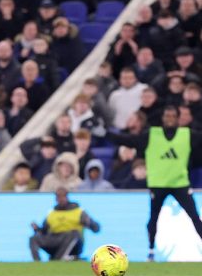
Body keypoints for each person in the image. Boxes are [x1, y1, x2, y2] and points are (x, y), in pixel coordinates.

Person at [106, 105, 202, 261]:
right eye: (167, 116)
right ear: (162, 118)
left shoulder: (188, 134)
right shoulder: (151, 134)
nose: (170, 119)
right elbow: (129, 140)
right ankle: (151, 251)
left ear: (178, 118)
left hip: (180, 183)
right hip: (158, 184)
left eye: (173, 116)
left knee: (195, 217)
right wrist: (106, 133)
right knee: (153, 218)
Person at [29, 187, 100, 261]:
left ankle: (59, 258)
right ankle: (37, 262)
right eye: (58, 197)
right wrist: (36, 229)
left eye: (62, 197)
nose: (60, 199)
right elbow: (44, 231)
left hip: (74, 244)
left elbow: (96, 228)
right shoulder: (52, 214)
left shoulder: (78, 212)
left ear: (67, 197)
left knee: (73, 234)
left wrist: (89, 224)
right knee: (33, 238)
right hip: (55, 240)